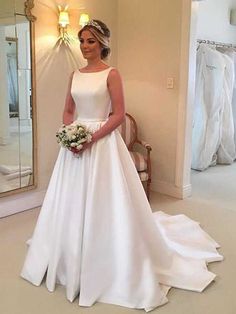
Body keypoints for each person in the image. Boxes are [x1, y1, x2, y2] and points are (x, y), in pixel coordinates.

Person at [21, 19, 223, 312]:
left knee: (106, 201)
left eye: (91, 41)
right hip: (74, 146)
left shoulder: (111, 74)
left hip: (101, 144)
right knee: (69, 201)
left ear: (103, 44)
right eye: (82, 41)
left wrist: (90, 138)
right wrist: (69, 134)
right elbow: (68, 109)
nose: (85, 47)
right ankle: (67, 253)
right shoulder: (74, 74)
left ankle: (108, 254)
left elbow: (118, 114)